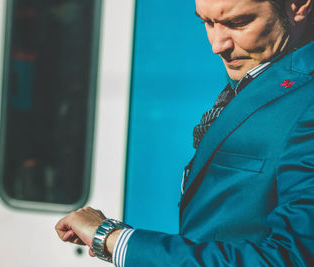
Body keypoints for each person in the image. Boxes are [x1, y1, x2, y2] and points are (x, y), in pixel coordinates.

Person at [56, 0, 314, 265]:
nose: (217, 45)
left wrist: (115, 240)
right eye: (207, 22)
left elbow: (291, 258)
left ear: (298, 6)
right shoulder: (268, 77)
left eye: (238, 23)